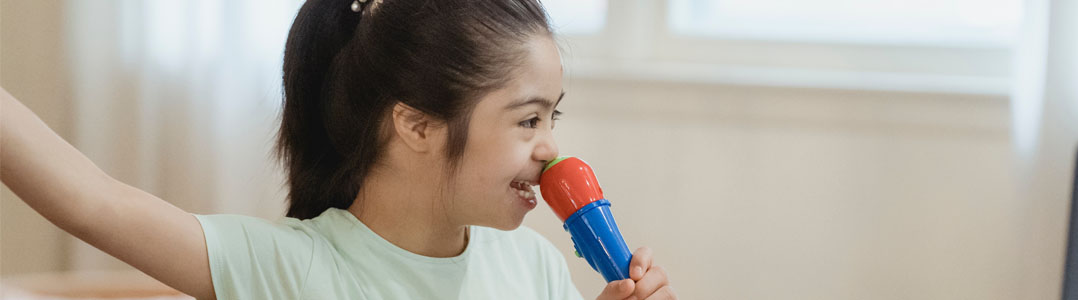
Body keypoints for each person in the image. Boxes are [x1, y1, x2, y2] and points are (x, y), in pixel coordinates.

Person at [0, 0, 676, 299]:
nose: (551, 149)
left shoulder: (533, 270)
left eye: (551, 116)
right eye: (527, 121)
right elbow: (91, 203)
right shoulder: (290, 270)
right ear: (416, 125)